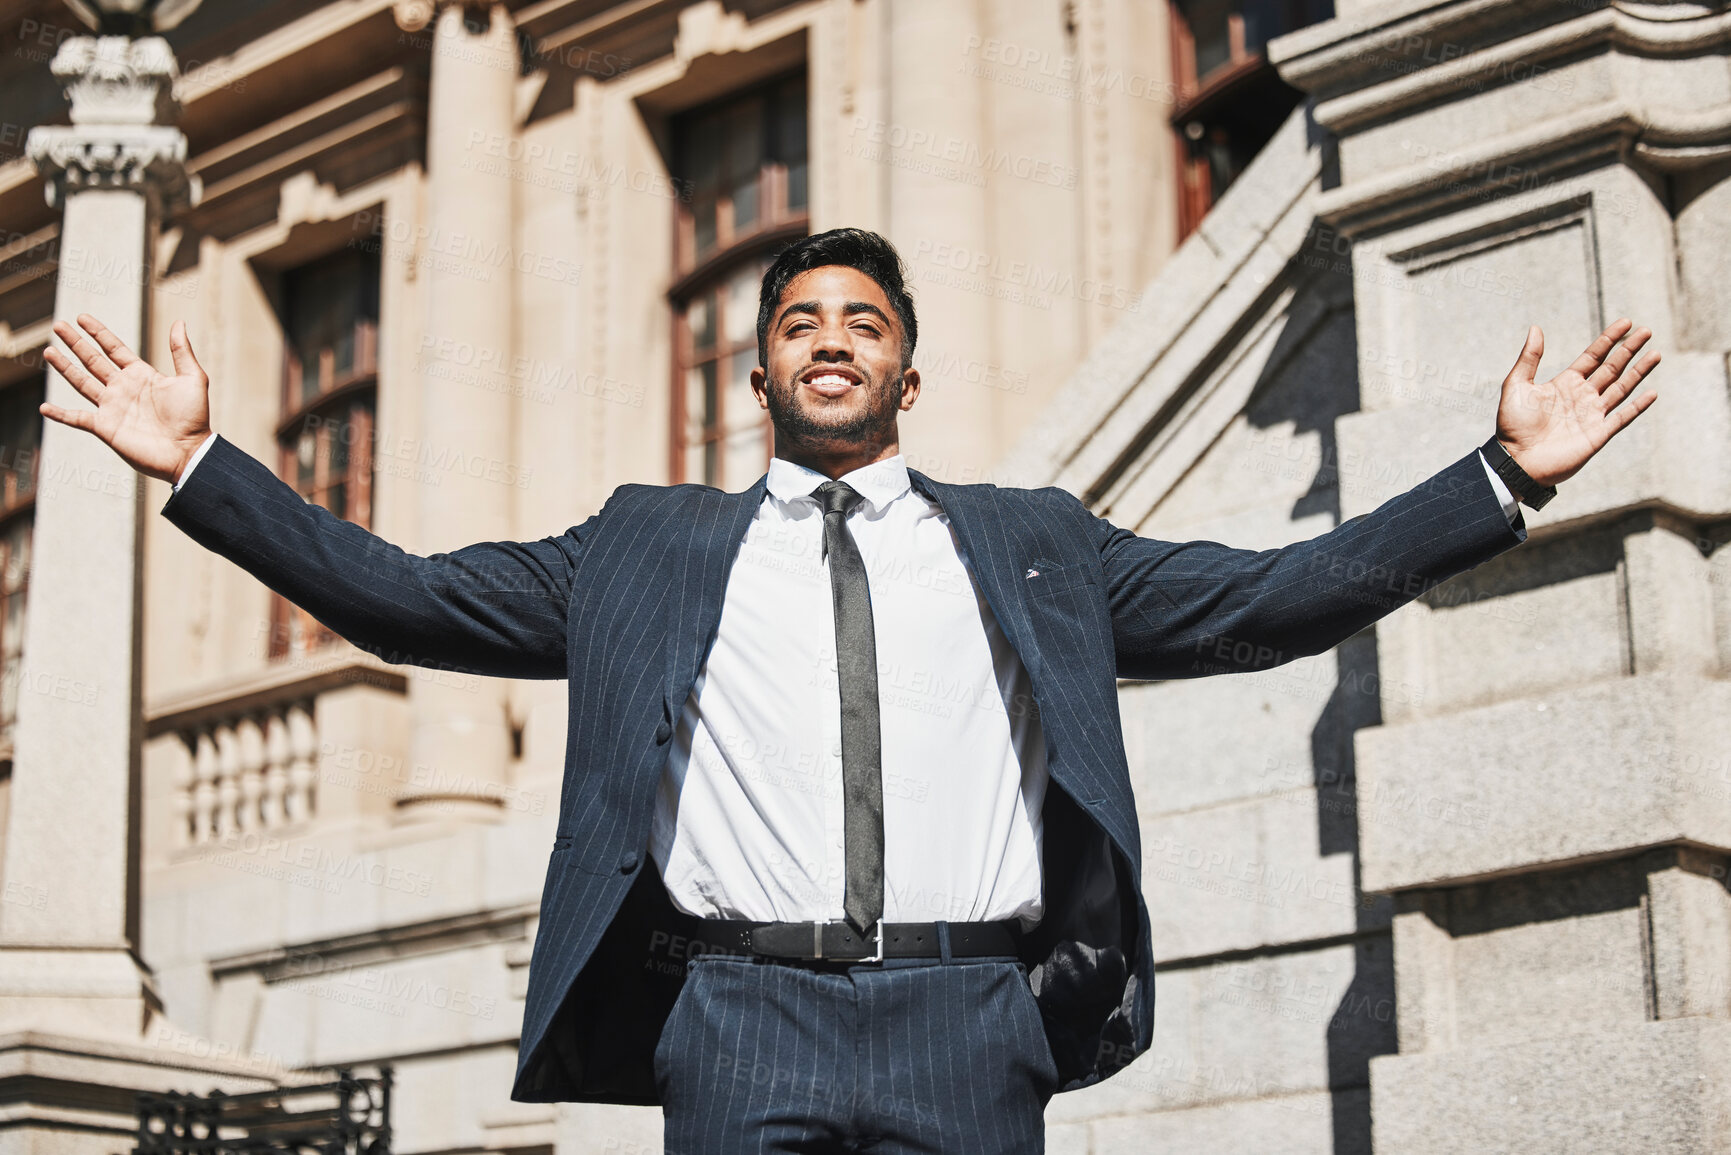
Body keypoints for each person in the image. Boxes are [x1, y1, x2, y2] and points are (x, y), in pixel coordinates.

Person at [42, 229, 1657, 1153]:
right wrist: (195, 463)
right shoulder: (643, 550)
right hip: (740, 1023)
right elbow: (402, 601)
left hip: (975, 1020)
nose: (832, 342)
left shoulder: (1033, 547)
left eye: (863, 324)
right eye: (800, 323)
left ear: (905, 370)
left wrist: (1499, 476)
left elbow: (1264, 599)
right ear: (756, 376)